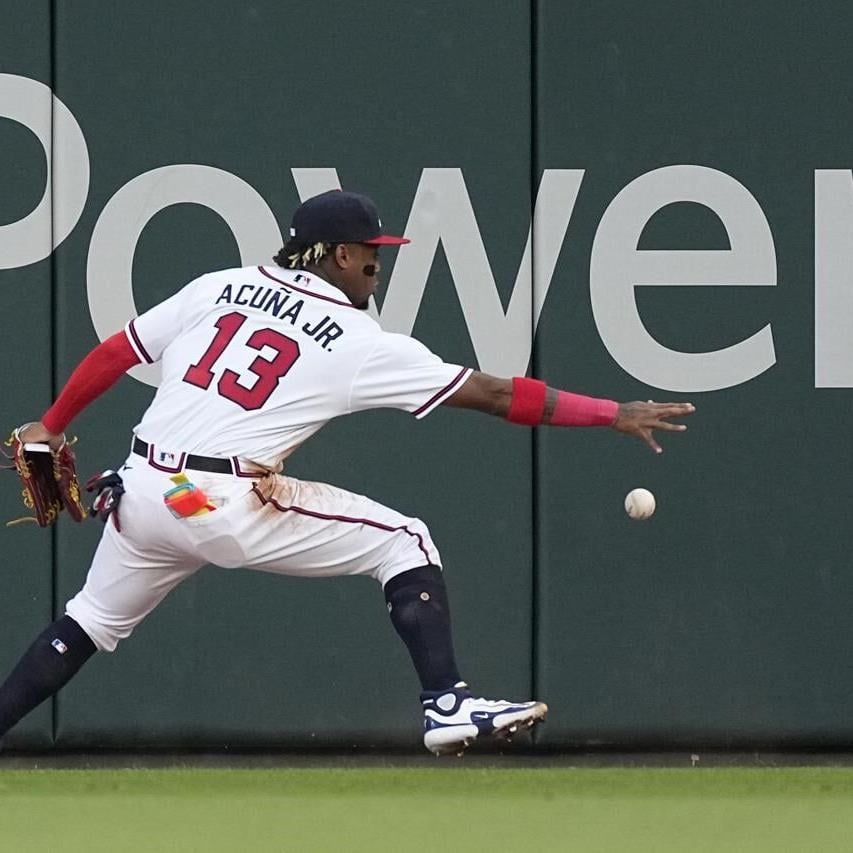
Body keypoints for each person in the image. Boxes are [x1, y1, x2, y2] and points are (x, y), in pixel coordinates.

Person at [1, 190, 694, 756]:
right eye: (370, 253)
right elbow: (492, 394)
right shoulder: (356, 337)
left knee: (85, 621)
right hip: (219, 498)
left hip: (142, 489)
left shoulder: (223, 285)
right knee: (405, 541)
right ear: (335, 253)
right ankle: (447, 703)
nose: (376, 265)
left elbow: (119, 350)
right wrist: (612, 411)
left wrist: (52, 421)